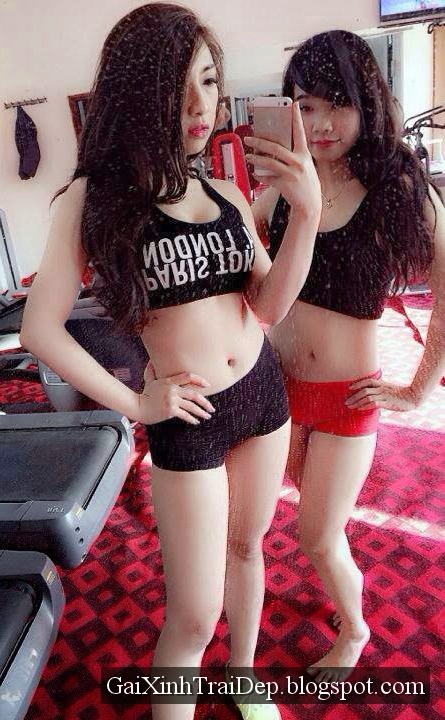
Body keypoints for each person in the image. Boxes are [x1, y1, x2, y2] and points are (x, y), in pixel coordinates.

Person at [20, 4, 322, 719]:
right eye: (176, 86)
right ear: (134, 94)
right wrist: (136, 405)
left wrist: (305, 215)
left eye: (209, 81)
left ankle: (244, 677)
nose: (199, 105)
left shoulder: (224, 188)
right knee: (191, 617)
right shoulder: (92, 201)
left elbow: (268, 306)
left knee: (248, 549)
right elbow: (39, 330)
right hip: (187, 416)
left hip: (262, 392)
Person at [247, 30, 445, 683]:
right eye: (306, 106)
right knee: (302, 514)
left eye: (339, 105)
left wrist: (418, 389)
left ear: (369, 105)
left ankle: (355, 630)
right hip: (278, 389)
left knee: (315, 535)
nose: (322, 124)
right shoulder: (284, 186)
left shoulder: (398, 186)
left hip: (346, 396)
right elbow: (246, 256)